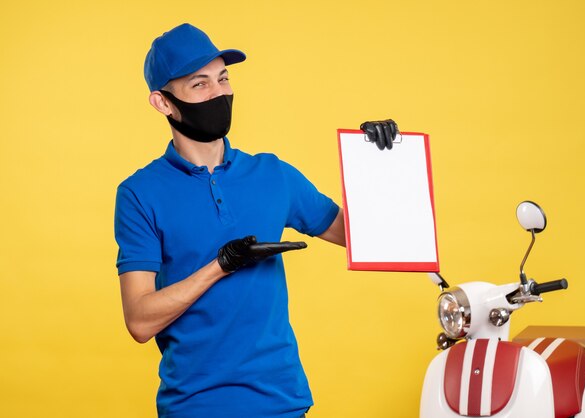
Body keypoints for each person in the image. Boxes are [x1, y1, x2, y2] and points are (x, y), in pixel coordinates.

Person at [114, 23, 397, 418]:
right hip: (195, 406)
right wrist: (221, 265)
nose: (219, 93)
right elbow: (140, 321)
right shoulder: (140, 193)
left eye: (223, 78)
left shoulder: (273, 175)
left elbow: (378, 239)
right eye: (200, 85)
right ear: (163, 103)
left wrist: (381, 164)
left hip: (282, 402)